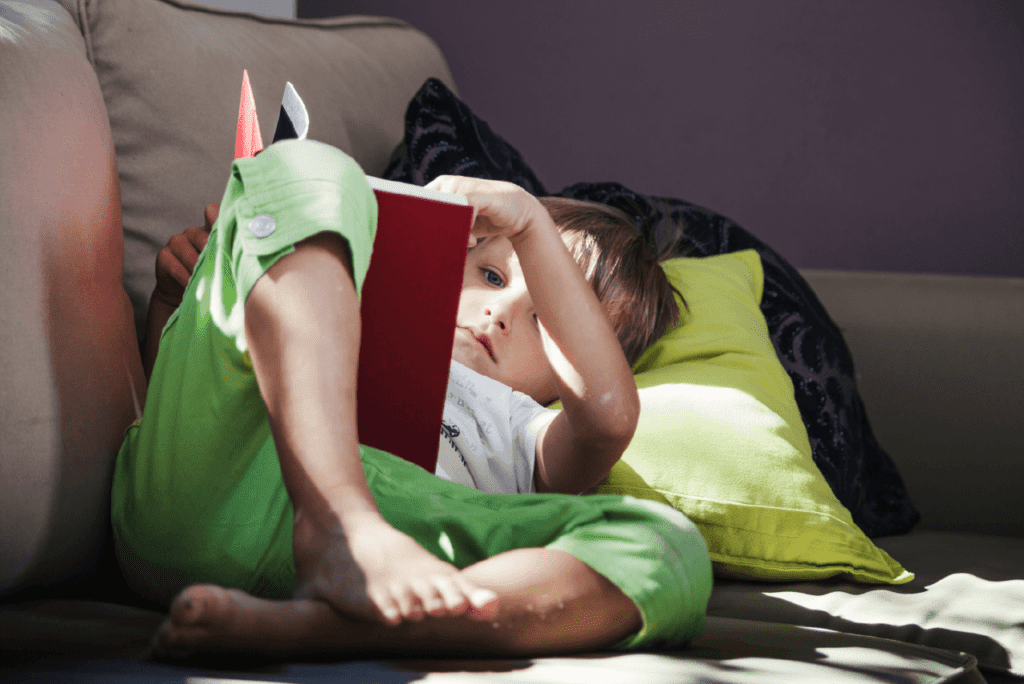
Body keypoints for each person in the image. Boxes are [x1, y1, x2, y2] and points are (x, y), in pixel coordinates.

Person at [112, 138, 711, 661]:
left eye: (543, 319)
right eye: (493, 276)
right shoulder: (332, 296)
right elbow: (174, 416)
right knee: (305, 168)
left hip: (411, 558)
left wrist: (529, 222)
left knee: (667, 543)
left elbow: (608, 419)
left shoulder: (525, 433)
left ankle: (329, 629)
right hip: (227, 487)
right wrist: (175, 301)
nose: (497, 314)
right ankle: (340, 524)